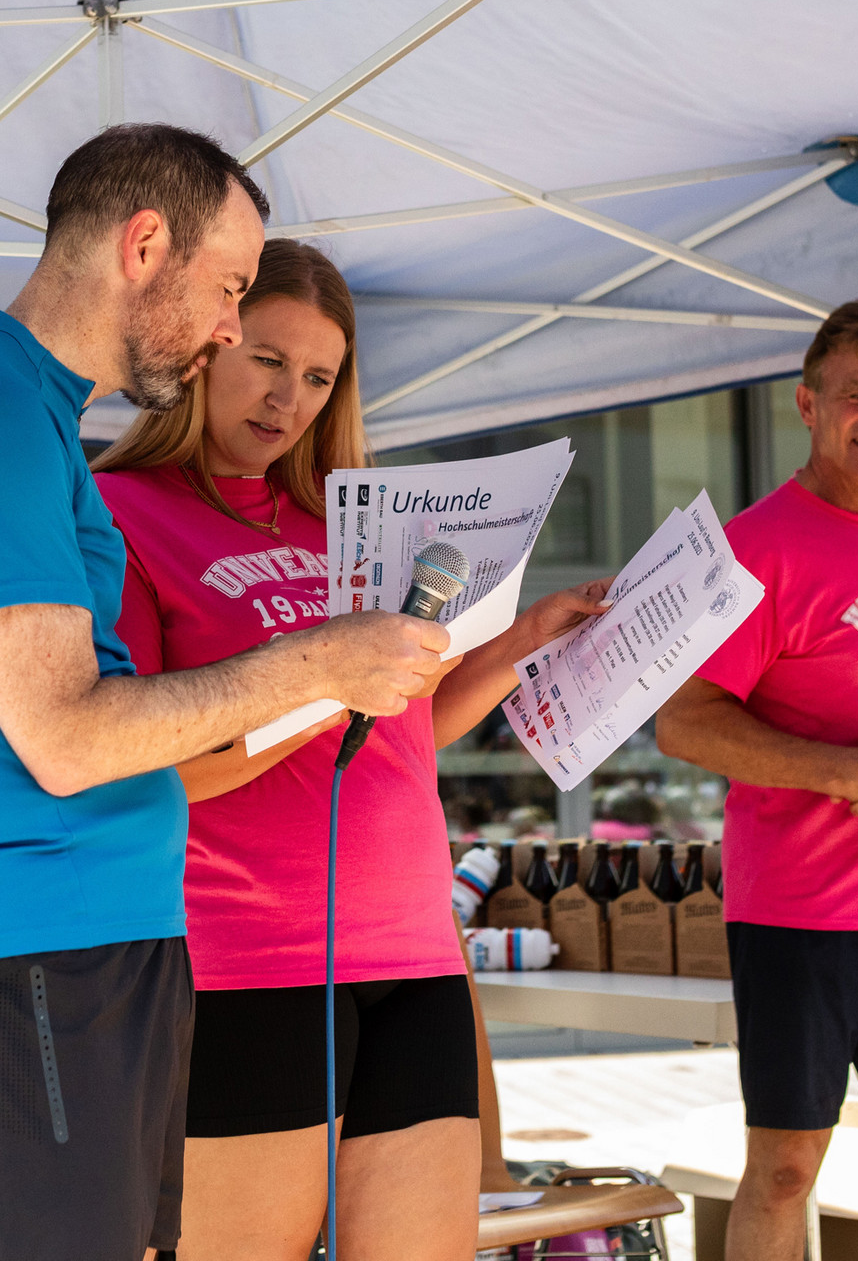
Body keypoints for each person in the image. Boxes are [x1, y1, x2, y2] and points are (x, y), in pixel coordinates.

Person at [93, 237, 613, 1261]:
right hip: (245, 965)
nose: (291, 398)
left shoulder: (353, 522)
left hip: (413, 956)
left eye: (320, 376)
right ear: (205, 348)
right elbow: (137, 762)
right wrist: (320, 681)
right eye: (271, 361)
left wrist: (517, 644)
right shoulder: (121, 517)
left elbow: (397, 732)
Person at [0, 126, 450, 1261]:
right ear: (145, 246)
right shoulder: (9, 411)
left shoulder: (39, 411)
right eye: (229, 292)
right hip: (54, 949)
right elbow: (59, 734)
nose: (221, 330)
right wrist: (317, 664)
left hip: (113, 948)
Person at [656, 300, 858, 1261]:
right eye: (857, 394)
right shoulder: (756, 549)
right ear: (806, 404)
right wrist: (853, 773)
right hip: (803, 908)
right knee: (789, 1163)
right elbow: (684, 720)